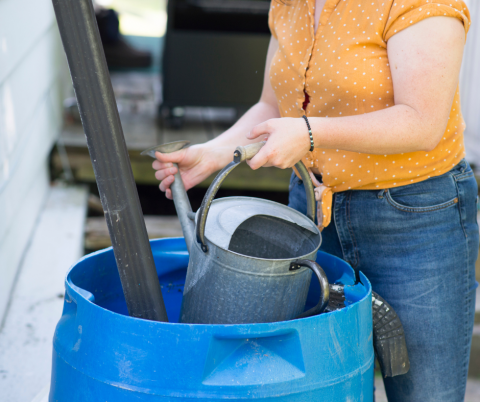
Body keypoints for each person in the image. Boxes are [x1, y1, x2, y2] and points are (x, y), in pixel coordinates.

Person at [152, 0, 477, 400]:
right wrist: (217, 152)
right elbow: (272, 107)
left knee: (424, 393)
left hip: (413, 216)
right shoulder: (291, 3)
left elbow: (422, 122)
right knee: (313, 385)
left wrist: (308, 133)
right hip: (312, 212)